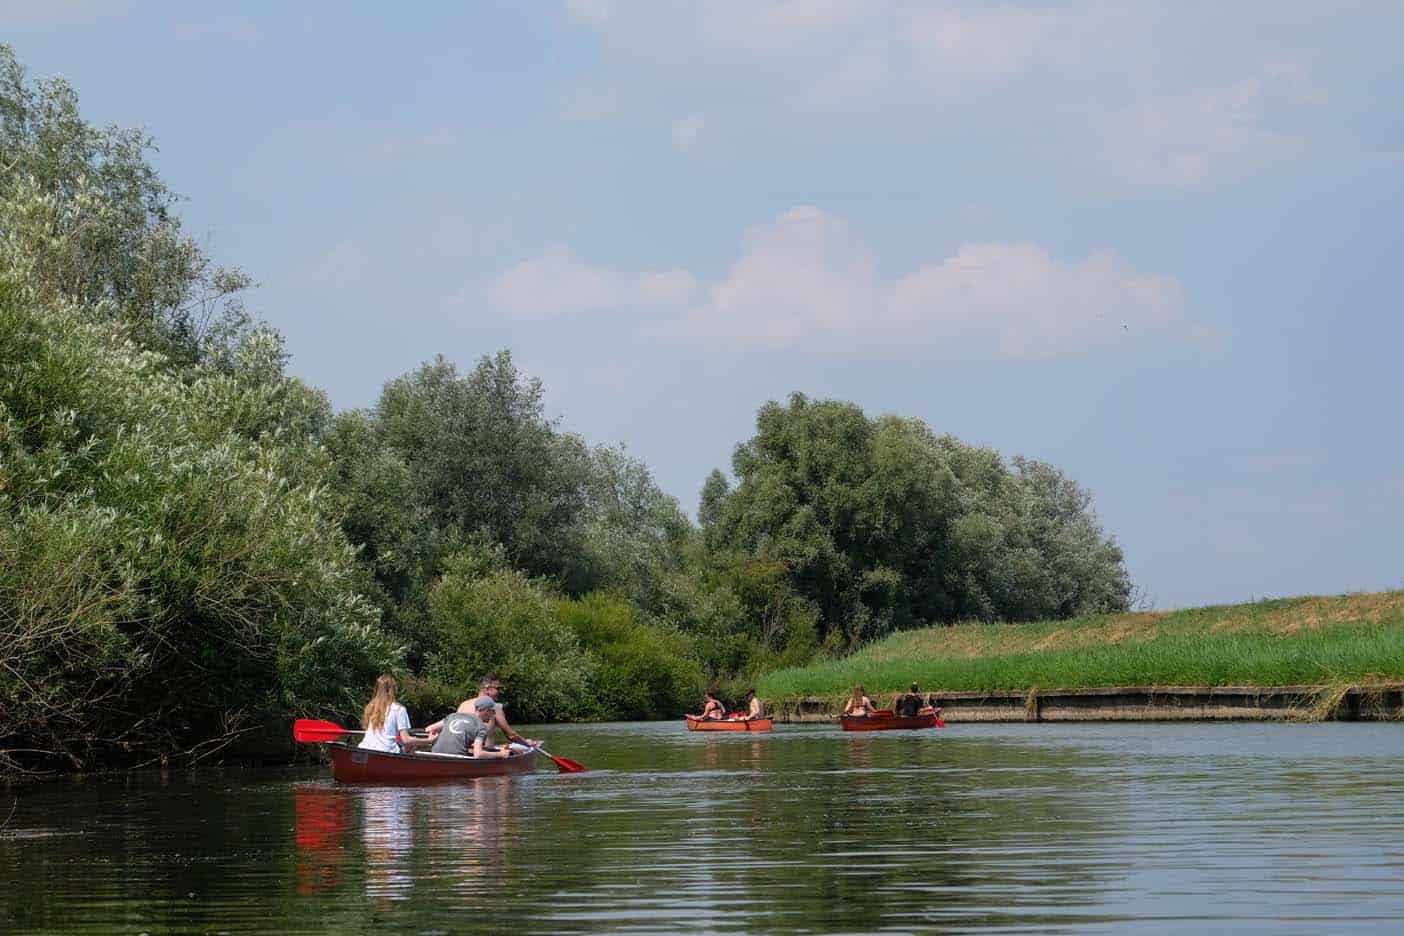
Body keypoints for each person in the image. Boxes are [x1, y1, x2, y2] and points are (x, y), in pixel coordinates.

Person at [358, 675, 433, 754]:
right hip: (387, 751)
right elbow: (406, 739)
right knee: (411, 745)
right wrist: (428, 740)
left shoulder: (371, 707)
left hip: (364, 748)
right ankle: (405, 765)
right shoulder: (399, 709)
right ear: (393, 690)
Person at [429, 696, 510, 759]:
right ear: (485, 711)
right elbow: (478, 754)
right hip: (455, 759)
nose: (493, 714)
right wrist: (501, 754)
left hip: (434, 754)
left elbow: (430, 729)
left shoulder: (453, 715)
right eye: (493, 711)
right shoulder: (481, 727)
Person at [477, 675, 542, 750]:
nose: (500, 692)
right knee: (518, 750)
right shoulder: (494, 707)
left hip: (465, 752)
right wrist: (527, 743)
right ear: (487, 689)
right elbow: (511, 736)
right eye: (498, 688)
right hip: (485, 753)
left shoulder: (464, 705)